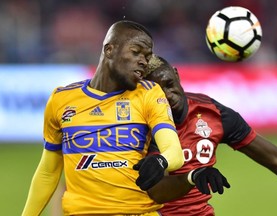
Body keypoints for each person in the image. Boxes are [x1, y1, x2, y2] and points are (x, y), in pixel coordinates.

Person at [21, 21, 185, 216]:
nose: (143, 61)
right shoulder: (61, 100)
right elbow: (48, 172)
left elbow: (175, 152)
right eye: (136, 52)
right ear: (109, 50)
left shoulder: (149, 94)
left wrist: (161, 161)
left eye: (147, 56)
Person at [140, 54, 277, 216]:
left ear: (176, 74)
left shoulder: (212, 112)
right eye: (159, 93)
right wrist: (193, 176)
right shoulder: (145, 126)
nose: (168, 95)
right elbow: (158, 191)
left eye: (169, 84)